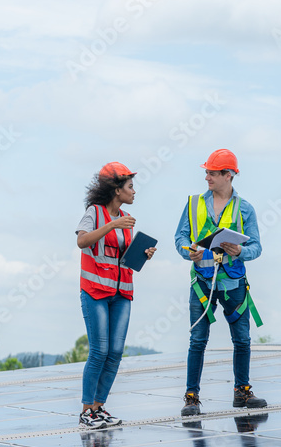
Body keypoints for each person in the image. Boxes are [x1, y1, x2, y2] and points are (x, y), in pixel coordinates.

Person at [175, 149, 266, 415]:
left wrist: (241, 252)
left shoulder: (245, 208)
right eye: (206, 172)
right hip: (202, 283)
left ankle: (242, 392)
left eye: (213, 173)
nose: (207, 177)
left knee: (242, 340)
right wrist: (186, 251)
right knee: (198, 340)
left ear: (229, 175)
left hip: (234, 283)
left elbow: (257, 247)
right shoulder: (193, 203)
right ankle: (191, 397)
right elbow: (180, 237)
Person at [75, 161, 157, 429]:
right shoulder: (95, 213)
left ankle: (99, 408)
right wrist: (113, 225)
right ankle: (86, 411)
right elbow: (82, 241)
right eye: (130, 187)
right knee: (99, 351)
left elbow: (122, 260)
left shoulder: (126, 220)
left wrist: (141, 255)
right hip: (95, 292)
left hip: (122, 293)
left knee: (115, 352)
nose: (134, 191)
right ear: (116, 189)